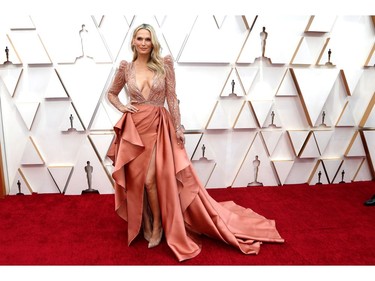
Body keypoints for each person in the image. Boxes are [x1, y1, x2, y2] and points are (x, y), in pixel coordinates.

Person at [106, 23, 284, 261]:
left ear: (153, 42)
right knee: (137, 181)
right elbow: (111, 93)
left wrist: (178, 127)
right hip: (134, 129)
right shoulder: (125, 68)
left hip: (159, 126)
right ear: (133, 42)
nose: (144, 43)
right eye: (140, 38)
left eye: (148, 39)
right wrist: (122, 107)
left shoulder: (164, 65)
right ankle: (145, 224)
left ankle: (158, 225)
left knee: (152, 180)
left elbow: (171, 98)